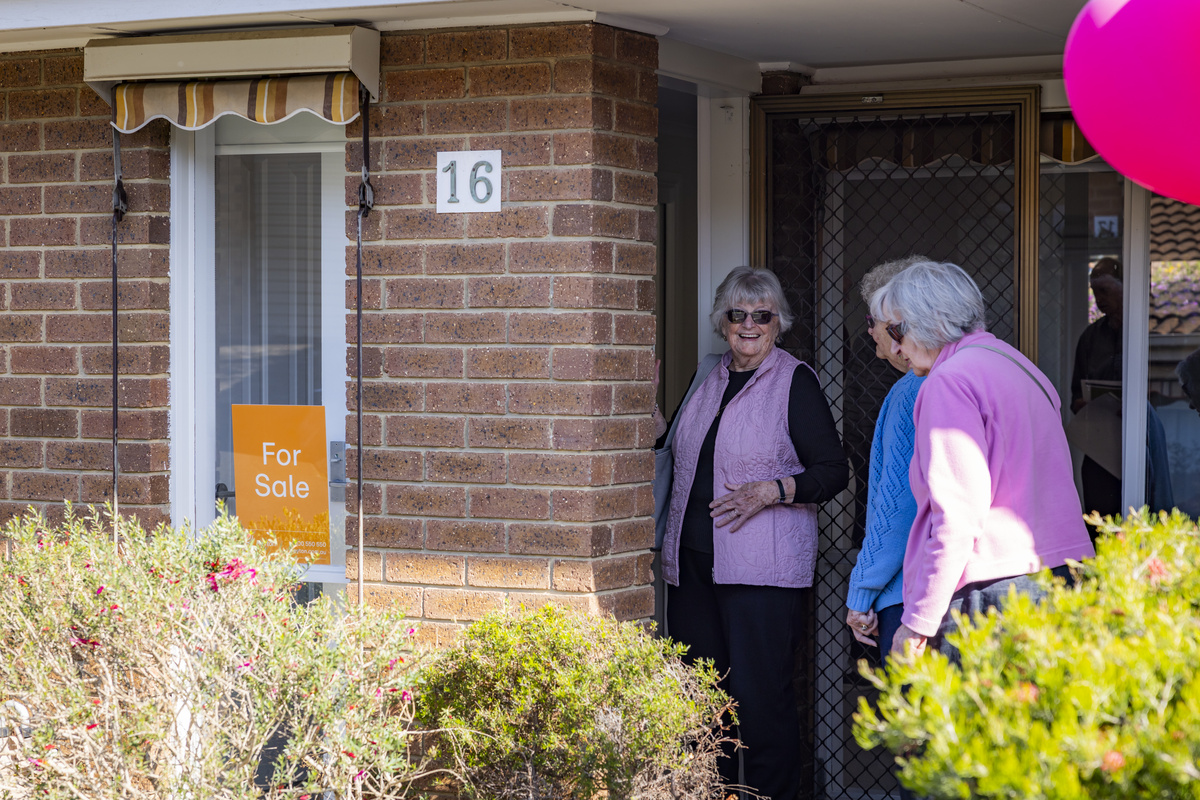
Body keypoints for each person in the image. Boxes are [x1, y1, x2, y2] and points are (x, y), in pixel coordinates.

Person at [656, 266, 849, 800]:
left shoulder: (795, 380)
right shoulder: (708, 375)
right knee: (698, 701)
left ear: (777, 323)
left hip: (760, 573)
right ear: (723, 321)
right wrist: (646, 412)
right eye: (737, 314)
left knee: (760, 704)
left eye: (760, 315)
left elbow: (833, 470)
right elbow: (674, 450)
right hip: (692, 566)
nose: (747, 325)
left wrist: (773, 491)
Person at [869, 259, 1095, 661]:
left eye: (897, 331)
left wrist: (918, 621)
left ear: (929, 321)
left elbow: (957, 517)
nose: (896, 347)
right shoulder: (1021, 366)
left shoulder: (948, 380)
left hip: (991, 591)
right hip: (1059, 576)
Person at [845, 257, 924, 665]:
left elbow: (897, 508)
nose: (870, 329)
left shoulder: (913, 390)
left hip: (904, 598)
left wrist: (861, 594)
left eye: (874, 318)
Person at [1070, 257, 1124, 518]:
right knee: (1098, 521)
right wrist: (1081, 404)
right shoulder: (1090, 337)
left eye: (1105, 290)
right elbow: (1075, 394)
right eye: (1094, 291)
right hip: (1099, 446)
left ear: (1126, 287)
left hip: (1136, 441)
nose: (1098, 298)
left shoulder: (1142, 332)